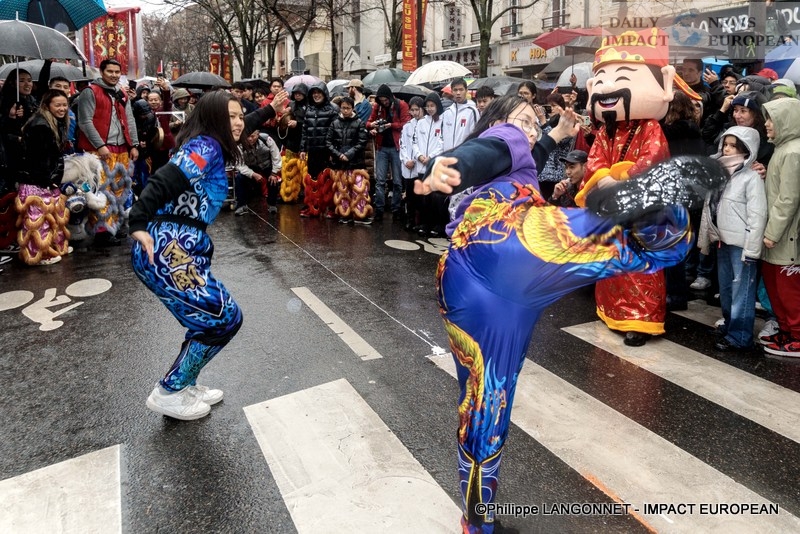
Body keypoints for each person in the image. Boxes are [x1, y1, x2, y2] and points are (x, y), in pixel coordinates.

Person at [414, 94, 725, 533]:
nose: (529, 128)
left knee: (485, 402)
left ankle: (476, 522)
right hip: (509, 243)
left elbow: (525, 151)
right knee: (662, 246)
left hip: (465, 279)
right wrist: (452, 164)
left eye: (533, 121)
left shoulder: (523, 154)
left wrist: (555, 133)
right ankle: (646, 212)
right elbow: (491, 148)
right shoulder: (504, 138)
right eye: (523, 119)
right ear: (498, 120)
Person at [129, 91, 249, 421]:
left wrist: (268, 111)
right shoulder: (206, 146)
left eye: (241, 116)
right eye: (232, 117)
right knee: (224, 318)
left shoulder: (209, 142)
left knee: (207, 320)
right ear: (214, 119)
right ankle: (170, 391)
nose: (239, 123)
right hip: (168, 249)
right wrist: (136, 219)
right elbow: (167, 177)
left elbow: (242, 124)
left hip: (177, 247)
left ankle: (184, 384)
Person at [574, 28, 676, 347]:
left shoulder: (651, 127)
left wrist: (621, 177)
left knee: (640, 266)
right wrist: (602, 178)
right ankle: (612, 312)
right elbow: (595, 159)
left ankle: (641, 320)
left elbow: (653, 158)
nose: (608, 88)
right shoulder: (607, 131)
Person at [698, 126, 766, 352]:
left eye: (733, 146)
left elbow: (757, 215)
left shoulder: (751, 178)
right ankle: (730, 325)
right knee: (726, 288)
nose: (727, 149)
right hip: (722, 240)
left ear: (746, 149)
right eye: (725, 144)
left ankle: (740, 336)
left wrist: (752, 249)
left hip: (741, 244)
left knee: (741, 291)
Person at [76, 58, 140, 247]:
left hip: (121, 148)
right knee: (101, 190)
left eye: (117, 72)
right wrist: (99, 145)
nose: (114, 75)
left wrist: (134, 144)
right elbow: (85, 122)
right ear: (102, 72)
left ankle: (115, 225)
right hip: (99, 149)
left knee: (119, 189)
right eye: (110, 71)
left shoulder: (122, 93)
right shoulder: (90, 92)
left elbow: (129, 120)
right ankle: (101, 231)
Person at [760, 98, 800, 357]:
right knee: (776, 287)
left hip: (786, 236)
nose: (767, 124)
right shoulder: (783, 149)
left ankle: (797, 335)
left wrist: (772, 233)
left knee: (788, 289)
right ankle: (786, 330)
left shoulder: (793, 152)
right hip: (776, 235)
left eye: (772, 118)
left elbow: (789, 199)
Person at [16, 89, 71, 265]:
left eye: (65, 105)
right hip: (37, 180)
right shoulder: (40, 125)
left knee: (54, 216)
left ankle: (55, 247)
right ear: (47, 105)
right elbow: (37, 158)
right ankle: (40, 255)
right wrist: (48, 179)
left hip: (47, 178)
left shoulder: (55, 123)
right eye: (58, 105)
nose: (62, 109)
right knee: (38, 220)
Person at [366, 83, 410, 220]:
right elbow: (368, 123)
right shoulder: (377, 106)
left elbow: (406, 123)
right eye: (381, 100)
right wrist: (372, 126)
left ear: (390, 97)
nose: (384, 102)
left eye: (386, 100)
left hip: (397, 147)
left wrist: (391, 125)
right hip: (382, 147)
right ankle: (379, 210)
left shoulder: (401, 105)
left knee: (397, 181)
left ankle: (396, 209)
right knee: (380, 181)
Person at [326, 96, 371, 223]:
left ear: (352, 108)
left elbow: (362, 142)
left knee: (359, 190)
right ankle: (344, 214)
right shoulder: (334, 123)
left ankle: (360, 214)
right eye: (343, 108)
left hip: (356, 163)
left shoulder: (359, 123)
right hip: (339, 163)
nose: (345, 110)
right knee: (342, 191)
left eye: (348, 108)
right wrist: (338, 155)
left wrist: (348, 154)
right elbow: (328, 142)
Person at [299, 82, 339, 218]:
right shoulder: (309, 110)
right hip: (313, 150)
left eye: (319, 92)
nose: (316, 95)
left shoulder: (332, 110)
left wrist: (333, 151)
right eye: (314, 93)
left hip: (326, 151)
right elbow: (305, 131)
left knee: (328, 181)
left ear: (324, 93)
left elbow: (336, 132)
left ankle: (331, 208)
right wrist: (303, 149)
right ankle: (312, 207)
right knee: (312, 181)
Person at [415, 92, 445, 236]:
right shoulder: (421, 122)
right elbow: (415, 141)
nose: (430, 108)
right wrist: (419, 155)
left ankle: (437, 225)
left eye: (432, 105)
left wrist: (431, 157)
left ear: (438, 105)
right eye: (427, 106)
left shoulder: (443, 121)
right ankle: (424, 224)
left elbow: (442, 143)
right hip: (421, 165)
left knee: (436, 197)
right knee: (424, 197)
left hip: (435, 165)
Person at [235, 127, 282, 215]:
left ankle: (272, 204)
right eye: (248, 136)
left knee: (273, 180)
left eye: (253, 136)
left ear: (257, 134)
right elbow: (239, 165)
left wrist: (274, 173)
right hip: (250, 167)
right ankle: (241, 205)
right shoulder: (239, 144)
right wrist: (252, 174)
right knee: (239, 178)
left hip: (266, 165)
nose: (250, 139)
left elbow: (276, 156)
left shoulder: (266, 139)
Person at [399, 97, 425, 230]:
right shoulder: (407, 126)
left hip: (419, 165)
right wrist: (405, 160)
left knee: (420, 196)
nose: (414, 113)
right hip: (408, 166)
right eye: (412, 110)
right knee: (409, 195)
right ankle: (410, 220)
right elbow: (402, 144)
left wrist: (415, 159)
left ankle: (420, 221)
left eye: (417, 109)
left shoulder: (426, 124)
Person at [441, 77, 478, 151]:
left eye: (461, 90)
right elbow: (441, 137)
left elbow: (474, 137)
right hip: (447, 155)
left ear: (466, 91)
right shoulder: (447, 112)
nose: (458, 93)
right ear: (451, 92)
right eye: (455, 90)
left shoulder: (472, 111)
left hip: (463, 155)